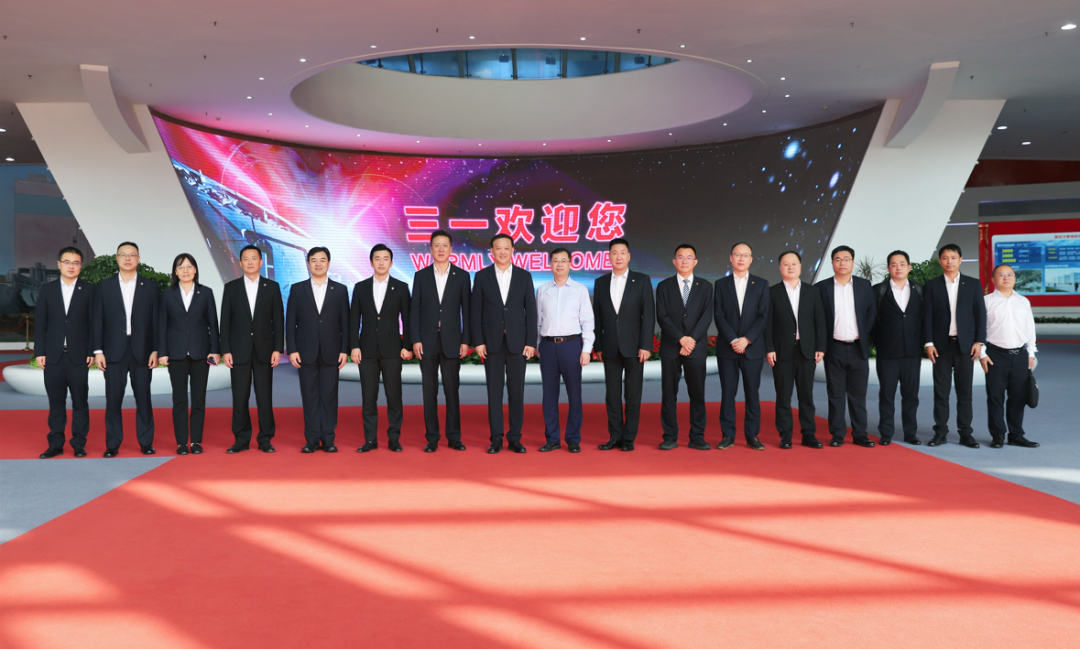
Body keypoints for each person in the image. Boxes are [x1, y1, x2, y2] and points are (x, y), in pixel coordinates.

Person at [92, 241, 160, 457]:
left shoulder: (150, 286)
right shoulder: (104, 286)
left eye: (132, 255)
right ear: (117, 258)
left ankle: (146, 442)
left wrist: (156, 349)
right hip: (113, 350)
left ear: (138, 259)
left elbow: (156, 321)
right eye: (123, 254)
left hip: (142, 350)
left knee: (144, 398)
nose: (128, 258)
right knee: (113, 400)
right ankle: (112, 444)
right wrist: (98, 351)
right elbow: (97, 320)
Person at [471, 234, 537, 454]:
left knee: (517, 392)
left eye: (506, 248)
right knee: (494, 393)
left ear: (512, 251)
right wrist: (478, 341)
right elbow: (475, 311)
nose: (502, 252)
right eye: (498, 248)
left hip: (518, 343)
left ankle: (515, 438)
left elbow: (531, 311)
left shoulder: (524, 276)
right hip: (492, 343)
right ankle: (496, 438)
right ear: (491, 252)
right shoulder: (482, 276)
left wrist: (531, 342)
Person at [219, 244, 284, 453]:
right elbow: (225, 321)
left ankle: (265, 439)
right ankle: (241, 439)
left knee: (264, 398)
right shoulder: (231, 288)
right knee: (240, 397)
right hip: (239, 350)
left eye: (254, 258)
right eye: (245, 259)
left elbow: (278, 320)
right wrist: (226, 350)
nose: (250, 262)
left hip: (265, 350)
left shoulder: (272, 287)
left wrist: (278, 349)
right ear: (240, 263)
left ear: (261, 262)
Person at [409, 230, 470, 452]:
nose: (441, 249)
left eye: (445, 245)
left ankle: (454, 437)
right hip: (427, 342)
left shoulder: (462, 276)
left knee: (452, 391)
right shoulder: (421, 276)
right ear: (431, 249)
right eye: (437, 245)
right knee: (429, 391)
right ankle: (432, 438)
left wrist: (466, 340)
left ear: (451, 249)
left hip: (452, 341)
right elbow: (414, 311)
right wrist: (415, 339)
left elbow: (467, 311)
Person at [592, 238, 654, 452]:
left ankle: (629, 438)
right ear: (609, 256)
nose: (618, 256)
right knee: (612, 395)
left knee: (633, 395)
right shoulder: (600, 282)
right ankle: (615, 436)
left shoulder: (642, 280)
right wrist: (598, 346)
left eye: (622, 252)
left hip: (635, 347)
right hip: (609, 347)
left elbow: (648, 316)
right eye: (614, 253)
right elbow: (597, 317)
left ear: (629, 256)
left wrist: (646, 345)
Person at [351, 244, 413, 453]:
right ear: (371, 262)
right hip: (367, 350)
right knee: (368, 398)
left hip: (392, 350)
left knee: (394, 396)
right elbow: (353, 319)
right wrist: (354, 346)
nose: (381, 262)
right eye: (377, 258)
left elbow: (408, 319)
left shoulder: (401, 287)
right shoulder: (360, 287)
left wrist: (407, 346)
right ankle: (370, 440)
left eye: (385, 258)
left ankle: (394, 438)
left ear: (391, 263)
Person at [34, 246, 95, 459]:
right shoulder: (47, 289)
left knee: (80, 402)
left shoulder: (89, 290)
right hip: (53, 356)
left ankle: (79, 443)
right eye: (67, 262)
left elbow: (94, 324)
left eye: (76, 262)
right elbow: (41, 323)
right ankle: (55, 444)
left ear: (81, 266)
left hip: (79, 356)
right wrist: (39, 351)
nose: (71, 266)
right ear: (59, 264)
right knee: (56, 402)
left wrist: (92, 350)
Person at [288, 247, 350, 453]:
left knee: (330, 396)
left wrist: (344, 350)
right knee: (309, 395)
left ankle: (329, 439)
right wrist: (292, 349)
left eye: (322, 260)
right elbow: (291, 322)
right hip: (305, 351)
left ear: (329, 263)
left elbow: (345, 323)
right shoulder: (298, 289)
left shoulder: (340, 290)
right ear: (308, 264)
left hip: (332, 350)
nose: (318, 264)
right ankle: (312, 439)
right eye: (313, 260)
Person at [924, 244, 986, 448]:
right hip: (941, 347)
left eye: (953, 257)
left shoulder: (973, 284)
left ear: (960, 260)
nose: (949, 261)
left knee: (965, 393)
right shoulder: (932, 285)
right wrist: (929, 342)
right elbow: (927, 316)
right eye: (945, 257)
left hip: (965, 347)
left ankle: (965, 433)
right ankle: (940, 432)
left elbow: (980, 315)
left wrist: (979, 342)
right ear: (940, 261)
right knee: (941, 393)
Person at [158, 253, 220, 455]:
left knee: (199, 399)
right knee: (179, 399)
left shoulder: (206, 293)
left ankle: (196, 441)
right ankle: (181, 442)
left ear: (195, 270)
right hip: (175, 353)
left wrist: (215, 350)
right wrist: (162, 352)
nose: (185, 270)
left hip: (201, 353)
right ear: (175, 272)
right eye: (181, 267)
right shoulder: (168, 294)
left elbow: (213, 324)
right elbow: (162, 325)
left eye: (189, 266)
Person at [816, 245, 878, 447]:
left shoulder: (864, 285)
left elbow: (871, 313)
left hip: (857, 347)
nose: (842, 263)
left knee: (858, 394)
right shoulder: (821, 288)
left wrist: (863, 334)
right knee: (835, 394)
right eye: (837, 259)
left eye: (846, 259)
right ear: (832, 263)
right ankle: (837, 434)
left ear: (853, 262)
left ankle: (860, 434)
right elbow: (817, 319)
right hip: (834, 348)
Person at [765, 251, 826, 449]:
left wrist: (821, 347)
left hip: (806, 351)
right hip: (782, 351)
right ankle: (785, 435)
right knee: (783, 395)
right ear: (780, 268)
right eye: (786, 264)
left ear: (800, 266)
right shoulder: (772, 293)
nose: (790, 267)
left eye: (794, 263)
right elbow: (767, 324)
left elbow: (820, 321)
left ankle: (809, 434)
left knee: (806, 395)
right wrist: (769, 348)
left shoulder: (812, 291)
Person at [535, 248, 595, 453]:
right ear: (550, 264)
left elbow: (587, 321)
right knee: (549, 395)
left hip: (572, 345)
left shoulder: (579, 289)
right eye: (555, 260)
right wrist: (538, 346)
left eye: (563, 260)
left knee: (574, 394)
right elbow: (538, 321)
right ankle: (552, 438)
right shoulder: (542, 290)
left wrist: (586, 349)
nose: (559, 264)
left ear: (570, 264)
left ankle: (573, 438)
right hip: (548, 346)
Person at [656, 243, 714, 450]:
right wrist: (681, 339)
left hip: (696, 349)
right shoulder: (664, 286)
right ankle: (669, 436)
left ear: (695, 262)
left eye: (689, 257)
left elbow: (706, 317)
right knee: (668, 394)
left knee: (697, 393)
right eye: (680, 257)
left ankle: (697, 436)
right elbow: (662, 316)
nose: (684, 261)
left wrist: (691, 340)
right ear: (674, 261)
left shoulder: (705, 287)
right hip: (671, 347)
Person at [713, 242, 770, 451]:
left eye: (745, 255)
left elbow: (763, 316)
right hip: (727, 348)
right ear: (731, 258)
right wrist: (733, 340)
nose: (741, 258)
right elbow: (719, 314)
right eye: (737, 255)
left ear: (751, 259)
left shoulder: (761, 284)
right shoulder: (721, 284)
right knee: (728, 393)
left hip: (752, 348)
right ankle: (727, 435)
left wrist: (746, 339)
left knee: (752, 393)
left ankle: (752, 435)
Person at [980, 264, 1039, 449]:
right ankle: (997, 435)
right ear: (993, 279)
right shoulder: (985, 301)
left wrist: (1031, 353)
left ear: (1015, 278)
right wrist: (982, 353)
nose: (1006, 278)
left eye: (1010, 275)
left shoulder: (1023, 302)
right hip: (995, 355)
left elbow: (1030, 328)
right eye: (1001, 275)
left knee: (1018, 397)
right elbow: (978, 329)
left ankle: (1016, 435)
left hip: (1020, 355)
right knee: (995, 397)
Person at [870, 251, 925, 446]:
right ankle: (886, 433)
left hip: (912, 353)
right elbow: (871, 321)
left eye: (902, 264)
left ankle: (910, 433)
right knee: (886, 395)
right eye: (894, 264)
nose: (898, 267)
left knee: (911, 396)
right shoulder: (879, 290)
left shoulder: (920, 290)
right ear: (888, 269)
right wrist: (879, 342)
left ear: (909, 267)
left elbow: (925, 319)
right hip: (887, 353)